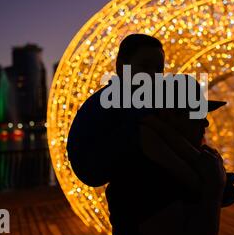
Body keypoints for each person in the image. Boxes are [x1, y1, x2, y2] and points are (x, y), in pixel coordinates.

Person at [133, 74, 234, 235]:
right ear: (170, 116)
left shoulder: (179, 163)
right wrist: (213, 190)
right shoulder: (145, 173)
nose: (206, 123)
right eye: (198, 113)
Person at [67, 34, 165, 187]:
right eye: (145, 66)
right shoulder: (116, 100)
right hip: (98, 169)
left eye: (159, 69)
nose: (153, 75)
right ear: (121, 67)